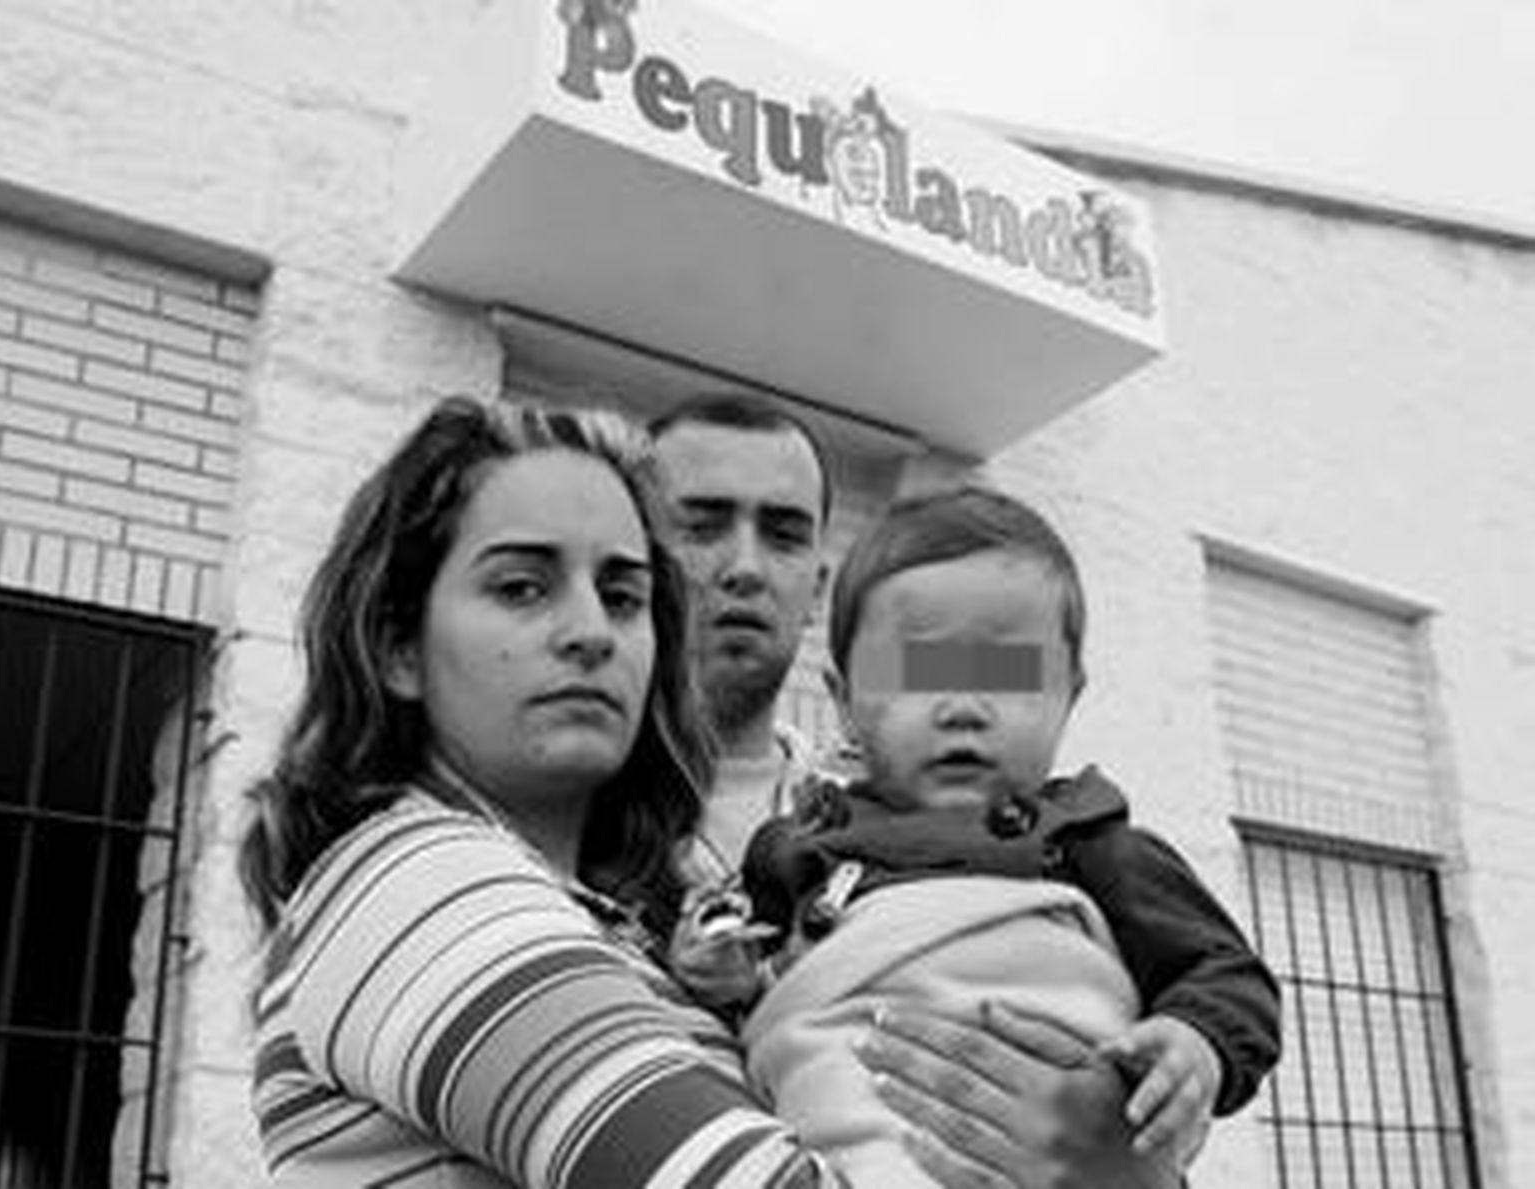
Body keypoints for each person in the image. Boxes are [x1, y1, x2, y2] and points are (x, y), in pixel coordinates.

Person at [236, 396, 1173, 1188]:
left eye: (625, 594)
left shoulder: (632, 910)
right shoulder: (414, 880)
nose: (590, 632)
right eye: (521, 587)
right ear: (399, 645)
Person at [683, 485, 1281, 1186]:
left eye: (1008, 673)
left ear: (1070, 695)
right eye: (916, 671)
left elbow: (1228, 976)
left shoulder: (1093, 844)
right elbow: (751, 991)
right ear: (844, 703)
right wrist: (719, 972)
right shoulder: (794, 847)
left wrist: (1196, 1043)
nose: (963, 705)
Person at [648, 395, 833, 889]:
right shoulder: (555, 807)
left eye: (784, 536)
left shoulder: (863, 823)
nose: (746, 567)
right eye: (702, 529)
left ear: (819, 589)